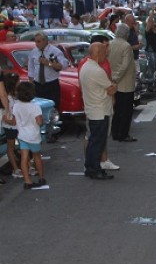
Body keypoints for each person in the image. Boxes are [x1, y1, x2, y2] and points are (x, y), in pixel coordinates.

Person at [77, 35, 120, 171]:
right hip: (100, 110)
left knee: (94, 140)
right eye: (105, 52)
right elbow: (111, 89)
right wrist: (113, 87)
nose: (106, 55)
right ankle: (94, 168)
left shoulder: (86, 67)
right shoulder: (96, 70)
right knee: (97, 142)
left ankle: (90, 166)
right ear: (98, 53)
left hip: (93, 108)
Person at [12, 82, 46, 189]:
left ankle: (27, 181)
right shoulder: (35, 107)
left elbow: (14, 121)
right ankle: (41, 177)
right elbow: (39, 122)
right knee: (37, 157)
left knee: (24, 158)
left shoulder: (16, 106)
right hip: (34, 136)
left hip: (22, 135)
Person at [108, 24, 137, 142]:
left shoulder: (111, 43)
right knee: (126, 111)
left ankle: (115, 132)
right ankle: (123, 133)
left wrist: (113, 77)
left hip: (114, 80)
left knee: (117, 109)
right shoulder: (126, 46)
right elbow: (125, 65)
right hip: (125, 82)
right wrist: (117, 77)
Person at [28, 32, 67, 112]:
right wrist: (31, 81)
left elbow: (63, 66)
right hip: (37, 84)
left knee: (53, 107)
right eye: (35, 42)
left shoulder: (55, 51)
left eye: (38, 42)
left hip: (51, 84)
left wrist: (48, 63)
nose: (36, 44)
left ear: (45, 41)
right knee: (38, 107)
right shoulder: (34, 52)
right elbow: (31, 68)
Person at [2, 74, 22, 179]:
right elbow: (5, 118)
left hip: (18, 125)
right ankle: (16, 169)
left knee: (23, 146)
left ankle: (26, 165)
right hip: (10, 126)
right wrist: (12, 121)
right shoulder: (7, 99)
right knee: (11, 147)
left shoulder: (17, 97)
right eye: (18, 82)